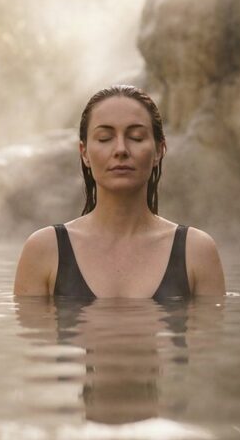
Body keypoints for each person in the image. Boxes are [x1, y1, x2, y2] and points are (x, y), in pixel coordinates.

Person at [14, 85, 225, 299]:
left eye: (136, 137)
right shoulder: (44, 251)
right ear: (84, 153)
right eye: (105, 138)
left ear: (159, 151)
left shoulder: (196, 252)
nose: (121, 150)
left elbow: (209, 331)